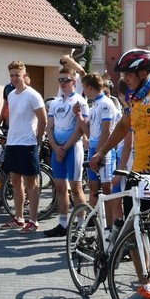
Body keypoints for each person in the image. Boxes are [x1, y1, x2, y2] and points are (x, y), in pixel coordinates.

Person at [92, 49, 150, 299]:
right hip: (139, 172)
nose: (124, 78)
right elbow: (123, 126)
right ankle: (145, 286)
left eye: (128, 73)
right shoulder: (132, 96)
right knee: (133, 231)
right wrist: (102, 151)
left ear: (143, 72)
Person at [0, 61, 47, 233]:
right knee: (15, 181)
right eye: (11, 75)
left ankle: (33, 220)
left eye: (17, 75)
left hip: (28, 143)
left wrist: (38, 138)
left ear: (24, 74)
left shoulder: (33, 95)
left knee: (31, 183)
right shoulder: (11, 95)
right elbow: (13, 119)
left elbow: (43, 119)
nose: (14, 79)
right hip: (12, 142)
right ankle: (19, 217)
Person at [44, 65, 89, 238]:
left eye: (66, 80)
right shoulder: (55, 102)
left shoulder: (80, 101)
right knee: (60, 188)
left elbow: (80, 129)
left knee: (76, 189)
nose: (63, 83)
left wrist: (65, 147)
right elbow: (49, 127)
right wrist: (55, 147)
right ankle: (63, 224)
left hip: (73, 149)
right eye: (60, 80)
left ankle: (81, 227)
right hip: (58, 149)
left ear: (74, 81)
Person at [78, 73, 121, 225]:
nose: (83, 92)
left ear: (90, 87)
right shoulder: (95, 105)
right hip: (94, 148)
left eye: (84, 88)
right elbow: (90, 132)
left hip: (104, 151)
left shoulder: (105, 104)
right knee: (93, 187)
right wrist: (78, 116)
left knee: (107, 189)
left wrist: (100, 152)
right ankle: (99, 224)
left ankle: (110, 226)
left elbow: (107, 130)